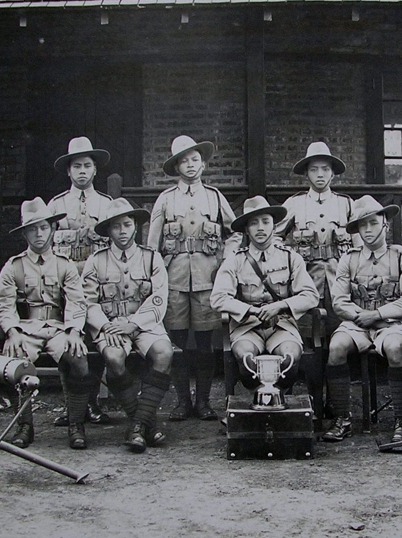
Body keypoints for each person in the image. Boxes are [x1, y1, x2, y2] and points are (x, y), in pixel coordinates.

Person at [147, 135, 238, 421]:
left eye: (195, 159)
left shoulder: (214, 196)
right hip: (173, 280)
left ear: (203, 164)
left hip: (207, 279)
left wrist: (226, 262)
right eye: (183, 161)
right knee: (177, 343)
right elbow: (152, 245)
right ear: (176, 166)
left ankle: (204, 402)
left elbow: (234, 233)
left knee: (204, 343)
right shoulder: (165, 199)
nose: (190, 165)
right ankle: (182, 402)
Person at [0, 198, 92, 450]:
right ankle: (24, 425)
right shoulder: (13, 266)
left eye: (43, 228)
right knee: (16, 362)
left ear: (52, 229)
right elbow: (4, 304)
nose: (39, 234)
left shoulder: (65, 264)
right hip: (26, 328)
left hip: (58, 328)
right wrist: (12, 331)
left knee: (79, 358)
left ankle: (76, 424)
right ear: (25, 233)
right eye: (32, 229)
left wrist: (74, 331)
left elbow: (76, 301)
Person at [323, 195, 402, 444]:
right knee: (335, 348)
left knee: (395, 348)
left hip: (392, 323)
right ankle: (342, 418)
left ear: (385, 223)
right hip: (357, 323)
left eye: (373, 223)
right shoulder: (349, 259)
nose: (368, 230)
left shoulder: (401, 257)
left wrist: (378, 315)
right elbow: (339, 300)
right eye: (362, 225)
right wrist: (361, 317)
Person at [82, 198, 173, 453]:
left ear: (135, 227)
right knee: (113, 357)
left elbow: (158, 298)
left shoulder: (151, 258)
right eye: (116, 227)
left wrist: (133, 324)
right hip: (110, 326)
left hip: (144, 323)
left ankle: (137, 424)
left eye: (127, 224)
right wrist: (105, 326)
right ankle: (144, 423)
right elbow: (87, 302)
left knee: (164, 353)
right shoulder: (96, 261)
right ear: (108, 231)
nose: (122, 231)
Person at [210, 197, 319, 394]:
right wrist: (249, 310)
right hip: (247, 327)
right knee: (246, 360)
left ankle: (278, 402)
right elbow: (218, 298)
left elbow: (311, 295)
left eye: (265, 222)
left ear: (274, 226)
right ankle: (260, 401)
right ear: (246, 229)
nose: (260, 228)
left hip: (281, 325)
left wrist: (280, 306)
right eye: (253, 223)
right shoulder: (236, 260)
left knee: (291, 359)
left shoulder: (290, 257)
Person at [48, 136, 113, 426]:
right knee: (68, 343)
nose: (82, 171)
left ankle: (94, 403)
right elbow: (47, 246)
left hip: (98, 283)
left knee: (95, 340)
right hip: (65, 285)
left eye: (87, 165)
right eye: (77, 166)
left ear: (95, 170)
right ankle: (71, 406)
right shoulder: (57, 204)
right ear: (69, 171)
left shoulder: (106, 203)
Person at [275, 141, 357, 336]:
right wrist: (287, 262)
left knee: (341, 330)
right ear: (306, 173)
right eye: (314, 170)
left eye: (325, 169)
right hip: (306, 279)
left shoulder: (345, 204)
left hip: (340, 279)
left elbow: (360, 244)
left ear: (333, 173)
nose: (320, 175)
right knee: (308, 331)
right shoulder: (296, 203)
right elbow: (275, 237)